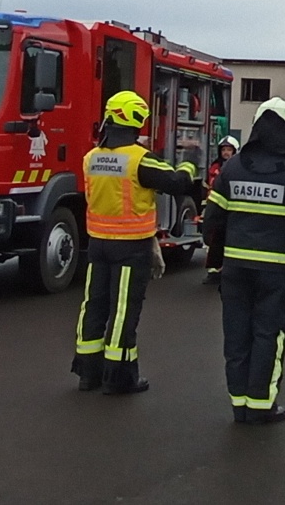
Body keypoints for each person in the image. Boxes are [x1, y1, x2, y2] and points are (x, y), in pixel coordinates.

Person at [201, 97, 285, 424]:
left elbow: (213, 220)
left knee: (236, 335)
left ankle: (239, 404)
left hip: (235, 270)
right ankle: (261, 404)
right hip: (277, 273)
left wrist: (219, 258)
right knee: (269, 335)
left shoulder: (233, 166)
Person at [72, 91, 197, 394]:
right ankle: (119, 378)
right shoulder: (140, 160)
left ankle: (88, 373)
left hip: (98, 243)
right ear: (137, 119)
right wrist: (190, 166)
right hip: (130, 247)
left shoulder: (92, 157)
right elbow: (177, 183)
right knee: (124, 311)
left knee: (94, 305)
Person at [201, 135, 240, 286]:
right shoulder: (214, 168)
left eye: (229, 149)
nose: (226, 153)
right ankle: (213, 272)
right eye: (223, 149)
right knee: (211, 239)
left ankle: (226, 271)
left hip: (230, 210)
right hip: (213, 208)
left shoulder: (237, 168)